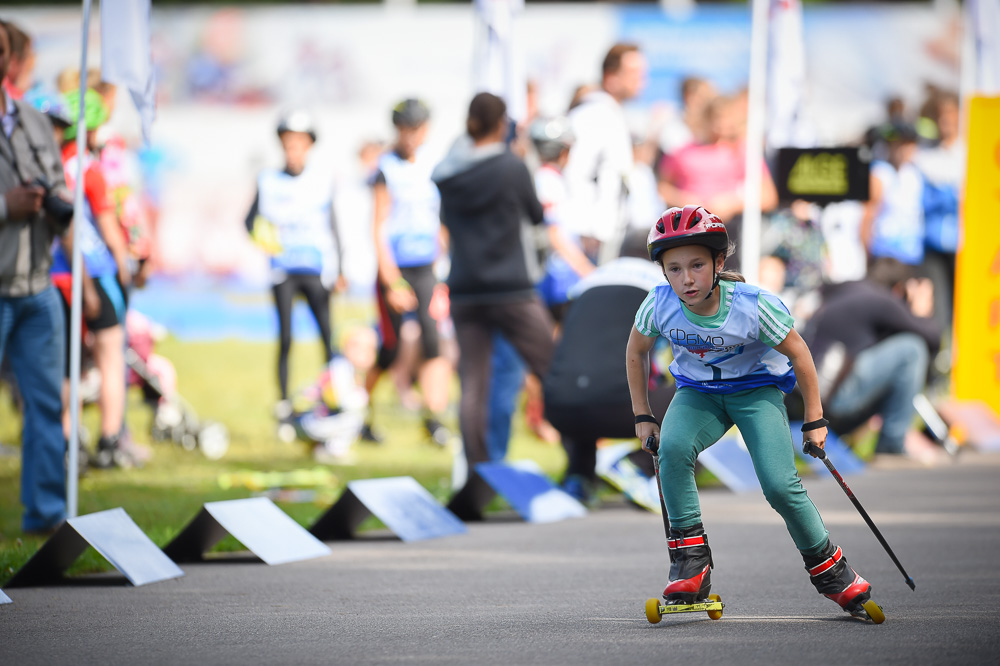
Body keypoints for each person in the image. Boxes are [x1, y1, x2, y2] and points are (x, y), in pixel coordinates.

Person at [626, 205, 877, 619]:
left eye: (696, 265)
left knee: (780, 486)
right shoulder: (659, 304)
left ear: (718, 262)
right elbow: (636, 351)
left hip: (756, 392)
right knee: (670, 450)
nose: (685, 279)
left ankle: (835, 573)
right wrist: (643, 414)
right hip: (698, 394)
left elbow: (800, 353)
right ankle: (692, 564)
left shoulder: (753, 305)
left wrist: (815, 420)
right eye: (673, 269)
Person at [432, 92, 554, 466]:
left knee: (474, 385)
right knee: (553, 369)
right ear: (501, 123)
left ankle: (478, 473)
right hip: (512, 287)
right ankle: (581, 459)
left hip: (466, 288)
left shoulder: (447, 174)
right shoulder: (510, 167)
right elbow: (536, 215)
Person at [0, 19, 70, 532]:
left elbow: (59, 184)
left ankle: (47, 520)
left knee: (46, 408)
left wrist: (60, 205)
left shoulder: (35, 119)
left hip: (38, 287)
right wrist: (6, 206)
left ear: (12, 59)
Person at [57, 87, 141, 469]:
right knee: (111, 356)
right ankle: (110, 440)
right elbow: (108, 226)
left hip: (59, 278)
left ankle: (67, 441)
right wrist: (126, 266)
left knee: (67, 365)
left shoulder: (51, 167)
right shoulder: (90, 170)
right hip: (99, 274)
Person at [545, 255, 671, 504]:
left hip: (559, 408)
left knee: (583, 383)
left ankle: (578, 477)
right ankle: (637, 465)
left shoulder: (588, 282)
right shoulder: (664, 286)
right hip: (621, 411)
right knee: (704, 391)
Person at [362, 99, 453, 446]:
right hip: (395, 269)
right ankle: (361, 413)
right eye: (404, 129)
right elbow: (378, 226)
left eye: (416, 128)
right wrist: (391, 281)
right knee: (391, 346)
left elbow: (442, 221)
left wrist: (443, 272)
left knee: (434, 342)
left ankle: (435, 419)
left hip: (427, 267)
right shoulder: (385, 168)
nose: (411, 136)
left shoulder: (435, 165)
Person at [245, 110, 345, 417]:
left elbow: (333, 225)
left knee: (328, 338)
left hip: (315, 270)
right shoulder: (269, 180)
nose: (294, 150)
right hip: (283, 272)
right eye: (289, 144)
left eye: (299, 144)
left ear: (309, 146)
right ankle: (284, 403)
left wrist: (340, 268)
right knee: (286, 338)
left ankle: (335, 398)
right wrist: (266, 242)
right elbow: (249, 221)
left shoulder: (322, 180)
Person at [804, 259, 942, 463]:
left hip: (809, 401)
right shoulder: (881, 299)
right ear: (899, 288)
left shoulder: (845, 292)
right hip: (833, 401)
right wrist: (919, 311)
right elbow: (932, 337)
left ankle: (885, 443)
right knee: (911, 349)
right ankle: (891, 445)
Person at [657, 95, 778, 271]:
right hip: (689, 229)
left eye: (726, 119)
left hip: (729, 231)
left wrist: (730, 204)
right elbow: (663, 187)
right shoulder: (682, 151)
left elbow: (768, 196)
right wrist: (685, 200)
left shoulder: (742, 151)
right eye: (716, 118)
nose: (720, 124)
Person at [564, 43, 647, 264]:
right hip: (590, 239)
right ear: (610, 77)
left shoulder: (609, 113)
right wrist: (588, 229)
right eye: (633, 73)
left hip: (605, 237)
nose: (640, 80)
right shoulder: (594, 114)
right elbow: (576, 172)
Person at [860, 121, 924, 271]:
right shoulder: (879, 173)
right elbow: (867, 216)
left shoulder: (914, 175)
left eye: (910, 144)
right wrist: (866, 255)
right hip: (884, 256)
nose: (907, 149)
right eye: (902, 144)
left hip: (911, 255)